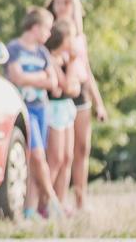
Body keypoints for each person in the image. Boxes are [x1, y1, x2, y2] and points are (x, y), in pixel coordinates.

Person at [45, 0, 108, 212]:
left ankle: (81, 201)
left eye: (67, 2)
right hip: (61, 96)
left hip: (81, 96)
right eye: (58, 2)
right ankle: (56, 203)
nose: (62, 6)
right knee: (61, 155)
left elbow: (87, 70)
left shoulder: (80, 37)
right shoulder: (50, 32)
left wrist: (99, 104)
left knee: (82, 149)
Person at [6, 7, 63, 220]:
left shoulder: (42, 53)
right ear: (36, 27)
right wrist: (41, 77)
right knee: (38, 156)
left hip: (41, 108)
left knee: (36, 160)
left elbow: (53, 83)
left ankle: (30, 210)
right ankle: (53, 201)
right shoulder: (15, 48)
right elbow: (16, 77)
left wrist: (32, 77)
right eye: (47, 29)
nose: (49, 35)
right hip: (24, 108)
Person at [44, 18, 81, 215]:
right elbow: (67, 84)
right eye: (72, 36)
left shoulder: (66, 60)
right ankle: (45, 201)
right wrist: (74, 64)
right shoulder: (50, 58)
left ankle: (60, 201)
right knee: (55, 158)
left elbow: (74, 88)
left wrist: (72, 66)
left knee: (67, 157)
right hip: (54, 110)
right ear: (64, 38)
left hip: (67, 108)